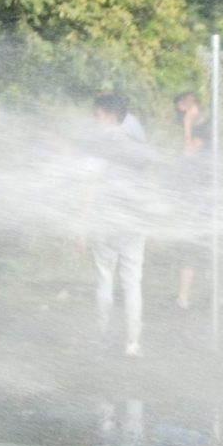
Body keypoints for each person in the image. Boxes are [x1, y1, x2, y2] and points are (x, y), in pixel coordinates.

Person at [91, 92, 149, 357]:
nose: (93, 117)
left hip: (106, 219)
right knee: (132, 282)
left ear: (106, 114)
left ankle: (102, 338)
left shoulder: (99, 144)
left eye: (96, 113)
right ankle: (132, 343)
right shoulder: (136, 145)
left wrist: (82, 223)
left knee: (105, 277)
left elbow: (90, 186)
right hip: (135, 220)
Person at [173, 91, 206, 310]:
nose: (178, 115)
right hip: (190, 201)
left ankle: (212, 293)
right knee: (190, 249)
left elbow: (190, 152)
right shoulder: (195, 126)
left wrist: (187, 124)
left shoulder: (204, 128)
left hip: (203, 202)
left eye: (181, 111)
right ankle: (183, 297)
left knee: (199, 249)